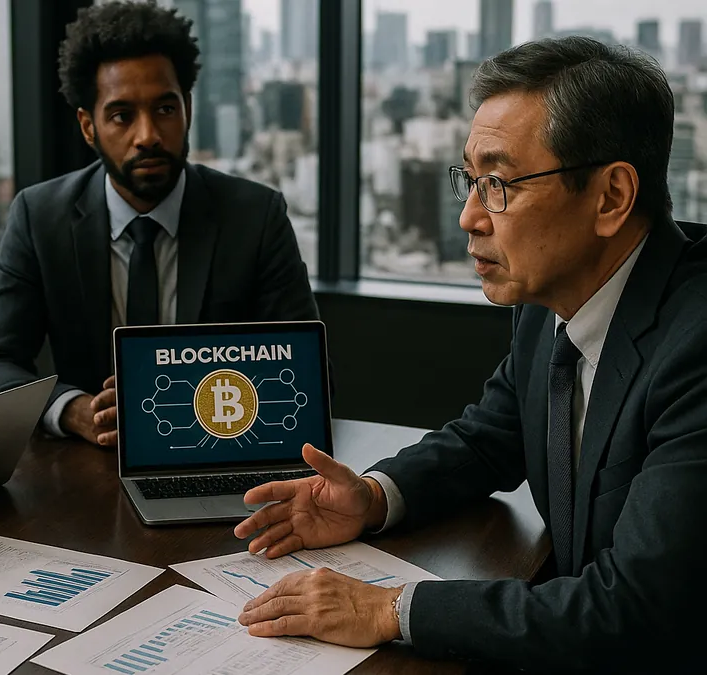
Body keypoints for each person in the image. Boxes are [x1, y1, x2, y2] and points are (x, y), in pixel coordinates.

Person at [231, 36, 707, 672]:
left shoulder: (696, 343)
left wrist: (390, 609)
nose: (469, 217)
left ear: (612, 197)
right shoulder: (552, 301)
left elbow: (634, 609)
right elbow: (489, 436)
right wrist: (374, 497)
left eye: (500, 182)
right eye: (470, 180)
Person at [0, 2, 321, 449]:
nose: (148, 134)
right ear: (88, 127)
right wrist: (75, 410)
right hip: (88, 473)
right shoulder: (40, 217)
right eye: (121, 115)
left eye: (165, 109)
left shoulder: (255, 216)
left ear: (188, 108)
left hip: (220, 456)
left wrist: (199, 407)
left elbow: (305, 374)